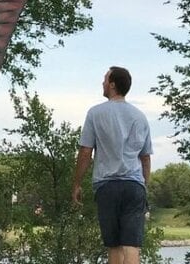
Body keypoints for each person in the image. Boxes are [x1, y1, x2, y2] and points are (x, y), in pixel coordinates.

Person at [72, 66, 152, 264]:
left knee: (114, 246)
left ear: (113, 84)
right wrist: (144, 186)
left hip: (107, 186)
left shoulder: (95, 113)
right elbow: (145, 158)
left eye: (105, 79)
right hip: (134, 186)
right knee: (132, 244)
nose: (103, 82)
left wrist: (77, 184)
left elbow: (85, 152)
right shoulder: (140, 117)